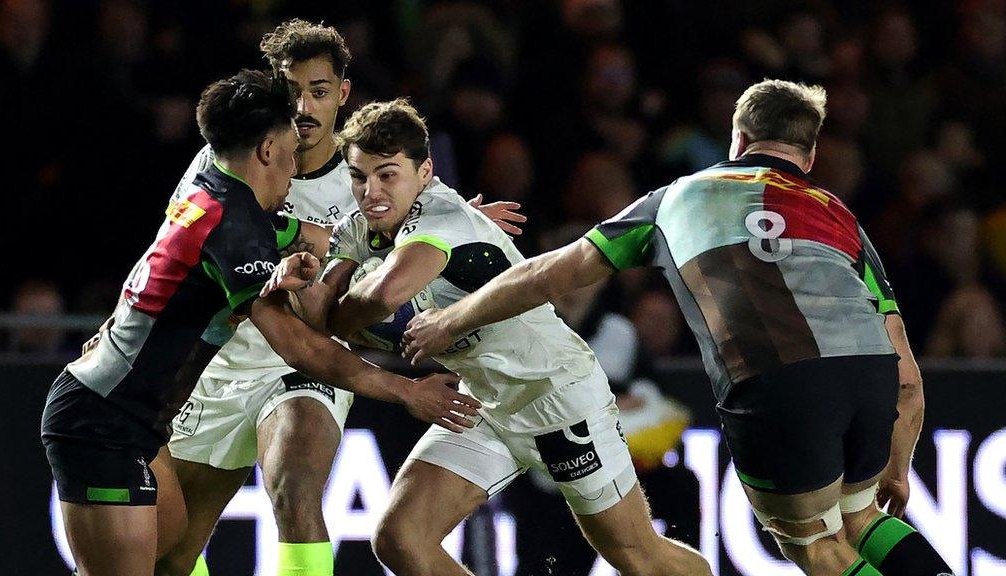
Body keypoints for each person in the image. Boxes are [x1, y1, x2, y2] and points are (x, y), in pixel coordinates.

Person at [403, 79, 956, 576]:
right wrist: (899, 465)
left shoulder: (677, 198)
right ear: (808, 156)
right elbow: (906, 369)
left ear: (736, 139)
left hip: (781, 382)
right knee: (860, 517)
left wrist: (453, 317)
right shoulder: (839, 215)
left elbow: (551, 272)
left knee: (814, 543)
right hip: (870, 375)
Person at [41, 70, 478, 576]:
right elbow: (302, 348)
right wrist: (406, 392)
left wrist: (446, 219)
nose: (295, 170)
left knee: (174, 549)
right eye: (292, 153)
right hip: (103, 424)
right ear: (268, 150)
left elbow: (315, 235)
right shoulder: (236, 227)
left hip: (133, 421)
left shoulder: (214, 187)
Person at [264, 98, 712, 576]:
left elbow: (381, 295)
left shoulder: (439, 220)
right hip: (485, 405)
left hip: (557, 399)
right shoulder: (365, 226)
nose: (371, 191)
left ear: (425, 171)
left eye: (388, 174)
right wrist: (299, 279)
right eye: (358, 176)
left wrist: (335, 313)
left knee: (637, 557)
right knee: (401, 539)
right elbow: (324, 312)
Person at [158, 19, 525, 576]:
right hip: (223, 362)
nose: (303, 107)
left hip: (309, 359)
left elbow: (437, 221)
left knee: (294, 486)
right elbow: (179, 246)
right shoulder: (226, 157)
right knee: (173, 554)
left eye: (320, 92)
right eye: (291, 91)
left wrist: (467, 221)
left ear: (343, 95)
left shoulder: (367, 165)